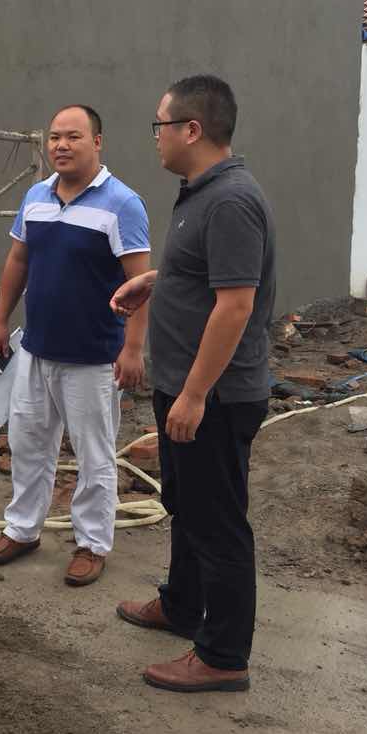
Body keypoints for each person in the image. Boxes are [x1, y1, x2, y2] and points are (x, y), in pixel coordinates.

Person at [111, 75, 275, 692]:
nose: (154, 136)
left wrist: (196, 394)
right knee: (186, 506)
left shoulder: (231, 201)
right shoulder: (202, 194)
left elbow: (236, 305)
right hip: (185, 385)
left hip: (216, 397)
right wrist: (155, 280)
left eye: (160, 124)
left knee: (217, 522)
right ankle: (182, 605)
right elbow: (211, 273)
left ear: (192, 129)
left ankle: (224, 657)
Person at [0, 104, 151, 585]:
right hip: (36, 349)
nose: (60, 145)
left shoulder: (122, 204)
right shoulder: (36, 196)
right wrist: (0, 321)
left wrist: (133, 350)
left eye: (73, 136)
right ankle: (22, 529)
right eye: (54, 136)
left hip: (93, 357)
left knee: (94, 456)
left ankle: (92, 544)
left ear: (97, 142)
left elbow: (141, 284)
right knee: (28, 444)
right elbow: (18, 261)